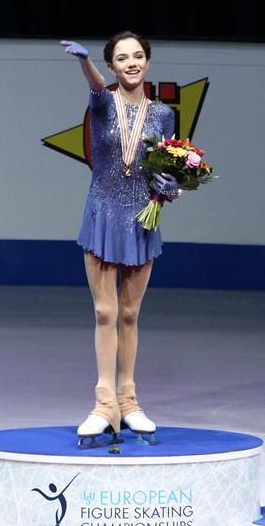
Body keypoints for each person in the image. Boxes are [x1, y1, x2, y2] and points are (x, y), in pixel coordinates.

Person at [60, 33, 179, 448]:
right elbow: (94, 88)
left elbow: (168, 164)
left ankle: (129, 401)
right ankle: (103, 403)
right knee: (104, 312)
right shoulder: (102, 102)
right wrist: (84, 62)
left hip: (142, 218)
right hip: (104, 215)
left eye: (139, 56)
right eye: (122, 58)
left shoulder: (164, 114)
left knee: (130, 314)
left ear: (148, 61)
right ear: (111, 66)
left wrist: (170, 186)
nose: (131, 63)